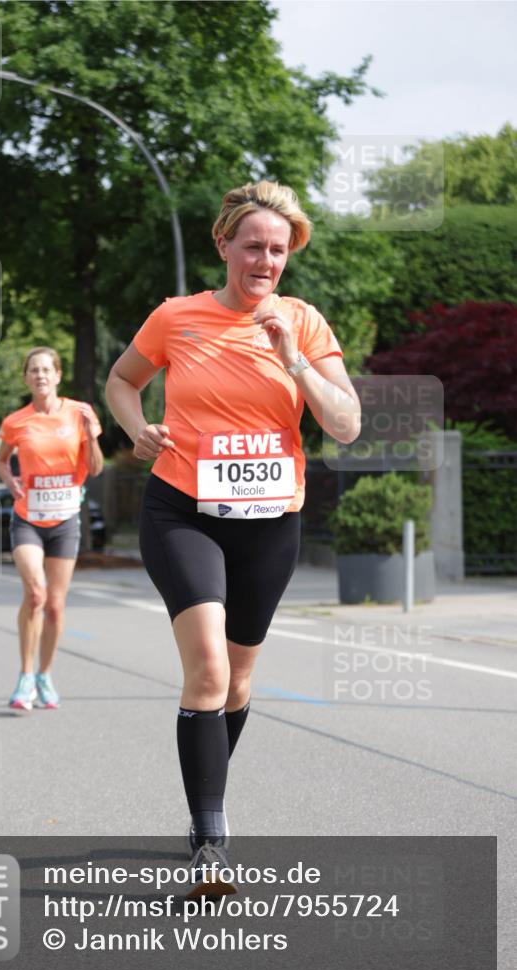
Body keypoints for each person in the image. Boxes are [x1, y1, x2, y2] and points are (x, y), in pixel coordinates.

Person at [105, 180, 361, 897]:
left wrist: (293, 358)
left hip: (270, 522)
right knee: (210, 671)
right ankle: (211, 844)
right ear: (224, 245)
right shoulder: (176, 316)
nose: (265, 261)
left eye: (278, 250)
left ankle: (205, 798)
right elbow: (122, 380)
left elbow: (345, 425)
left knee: (238, 681)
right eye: (253, 246)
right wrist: (137, 428)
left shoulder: (303, 322)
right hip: (183, 511)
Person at [0, 347, 103, 711]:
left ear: (58, 375)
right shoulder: (16, 421)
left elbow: (95, 468)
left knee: (55, 607)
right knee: (36, 594)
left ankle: (44, 674)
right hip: (28, 517)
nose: (40, 375)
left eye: (46, 370)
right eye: (33, 370)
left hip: (65, 521)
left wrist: (91, 435)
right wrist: (10, 480)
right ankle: (25, 676)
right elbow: (1, 460)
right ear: (26, 378)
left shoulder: (79, 413)